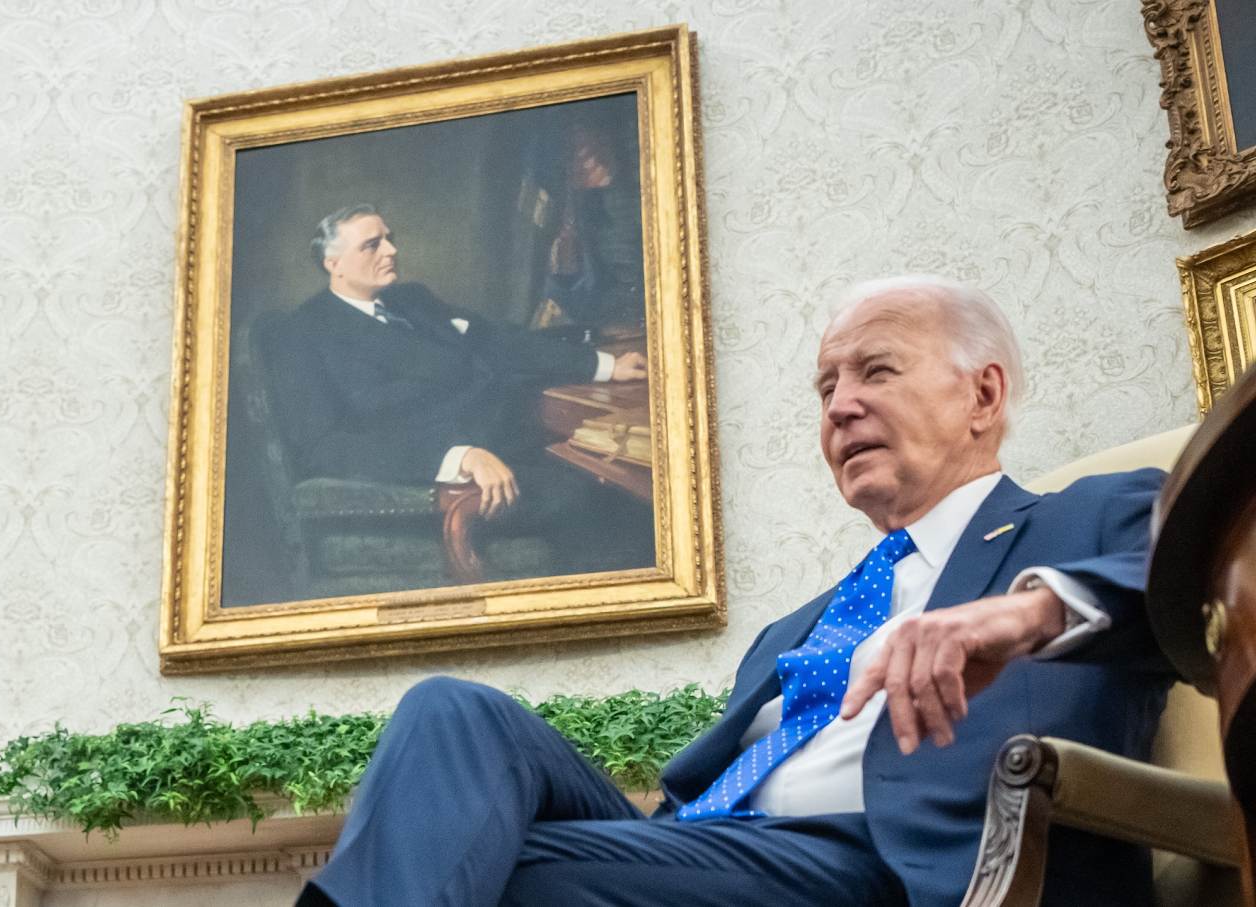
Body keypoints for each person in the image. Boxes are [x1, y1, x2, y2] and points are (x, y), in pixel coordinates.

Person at [294, 276, 1173, 907]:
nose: (838, 407)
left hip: (893, 864)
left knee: (516, 876)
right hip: (705, 851)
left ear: (983, 394)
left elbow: (1209, 579)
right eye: (827, 386)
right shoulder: (800, 627)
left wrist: (1025, 611)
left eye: (876, 371)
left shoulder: (1082, 519)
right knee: (453, 712)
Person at [254, 204, 649, 563]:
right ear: (333, 264)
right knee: (599, 499)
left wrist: (603, 365)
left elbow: (496, 340)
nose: (391, 251)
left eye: (390, 239)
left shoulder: (411, 300)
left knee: (626, 479)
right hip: (440, 486)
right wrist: (458, 457)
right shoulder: (302, 334)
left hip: (515, 444)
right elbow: (327, 446)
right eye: (372, 245)